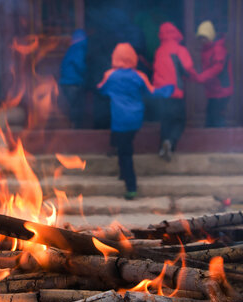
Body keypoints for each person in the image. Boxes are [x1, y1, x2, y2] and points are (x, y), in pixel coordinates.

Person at [98, 43, 173, 200]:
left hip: (119, 118)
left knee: (125, 151)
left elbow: (101, 89)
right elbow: (151, 92)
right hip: (135, 118)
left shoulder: (110, 75)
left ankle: (131, 186)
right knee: (124, 145)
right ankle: (124, 174)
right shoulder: (139, 76)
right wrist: (169, 89)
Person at [153, 22, 198, 161]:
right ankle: (170, 142)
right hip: (176, 92)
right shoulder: (179, 49)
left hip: (161, 93)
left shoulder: (159, 50)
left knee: (165, 120)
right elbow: (188, 68)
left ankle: (163, 147)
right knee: (179, 121)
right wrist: (195, 77)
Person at [194, 21, 233, 127]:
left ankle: (224, 142)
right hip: (213, 90)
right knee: (211, 119)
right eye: (200, 38)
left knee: (216, 120)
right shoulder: (206, 49)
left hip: (221, 89)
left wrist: (202, 77)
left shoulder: (218, 48)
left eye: (204, 37)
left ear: (210, 36)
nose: (202, 40)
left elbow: (218, 67)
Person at [59, 29, 87, 129]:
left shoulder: (72, 49)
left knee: (72, 105)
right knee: (77, 106)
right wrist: (87, 74)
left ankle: (74, 127)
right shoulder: (79, 48)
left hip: (66, 81)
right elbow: (79, 64)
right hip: (74, 82)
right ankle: (76, 129)